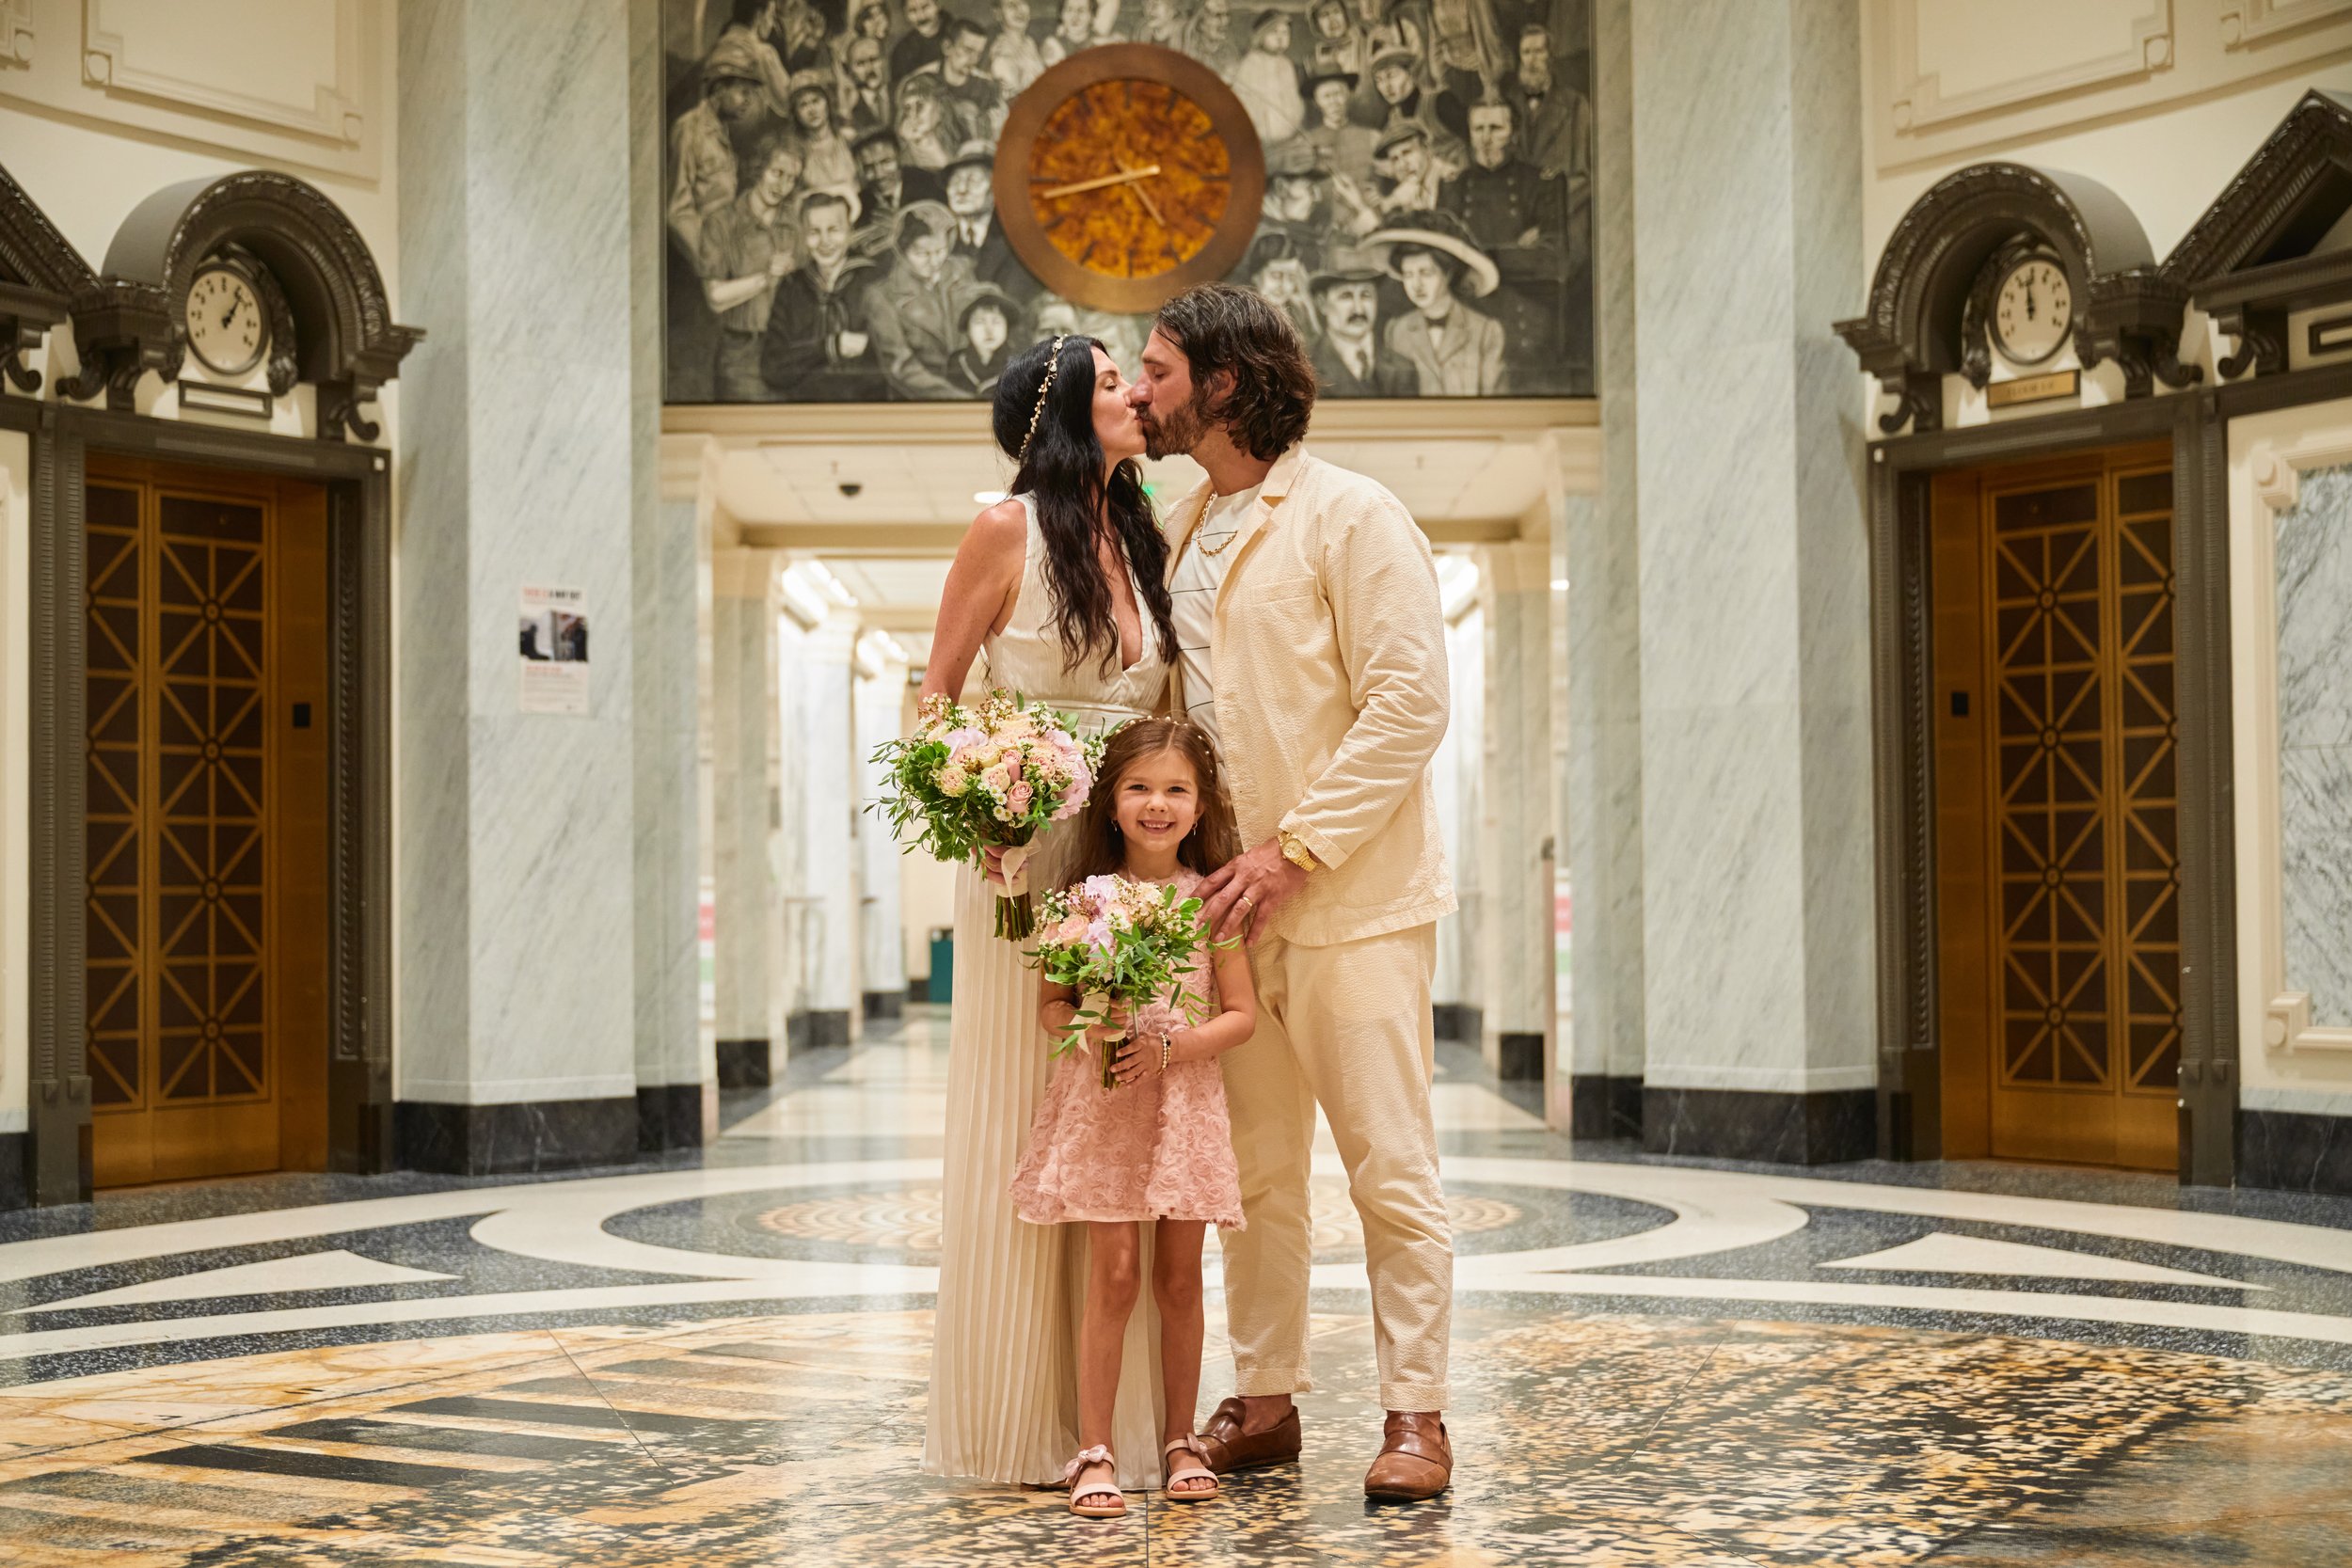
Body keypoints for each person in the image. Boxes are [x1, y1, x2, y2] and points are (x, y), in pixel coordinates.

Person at [1127, 283, 1456, 1502]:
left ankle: (1416, 1410)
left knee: (1389, 1164)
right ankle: (1264, 1397)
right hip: (1226, 908)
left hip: (1350, 901)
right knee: (1253, 1173)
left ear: (1220, 381)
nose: (1143, 388)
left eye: (1157, 369)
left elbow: (1409, 703)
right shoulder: (1176, 525)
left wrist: (1293, 849)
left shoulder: (1351, 516)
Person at [920, 334, 1177, 1494]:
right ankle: (1018, 1414)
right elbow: (935, 695)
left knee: (1118, 1101)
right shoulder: (1003, 531)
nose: (1137, 393)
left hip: (1124, 855)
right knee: (1034, 1103)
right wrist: (981, 802)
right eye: (1117, 380)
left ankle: (1111, 1421)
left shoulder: (1140, 536)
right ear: (1065, 409)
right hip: (1026, 855)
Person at [1010, 717, 1259, 1519]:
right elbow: (1051, 1007)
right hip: (1107, 1100)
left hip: (1181, 1100)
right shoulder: (1082, 899)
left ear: (1200, 803)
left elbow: (1243, 1015)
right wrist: (1097, 1023)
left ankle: (1180, 1437)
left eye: (1176, 789)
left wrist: (1174, 1048)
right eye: (1140, 788)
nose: (1158, 804)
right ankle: (1095, 1449)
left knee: (1180, 1278)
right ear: (1110, 803)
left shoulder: (1210, 900)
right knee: (1113, 1277)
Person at [697, 135, 806, 400]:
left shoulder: (795, 225)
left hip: (789, 351)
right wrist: (766, 277)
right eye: (777, 173)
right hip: (741, 355)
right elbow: (715, 298)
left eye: (791, 179)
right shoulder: (721, 223)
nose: (783, 185)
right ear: (759, 168)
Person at [759, 191, 888, 397]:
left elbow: (893, 362)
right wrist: (830, 346)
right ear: (803, 236)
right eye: (814, 232)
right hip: (804, 411)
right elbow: (772, 368)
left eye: (834, 230)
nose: (825, 241)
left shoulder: (877, 281)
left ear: (850, 232)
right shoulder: (792, 287)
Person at [1372, 213, 1503, 393]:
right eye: (1409, 275)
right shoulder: (1397, 331)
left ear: (1448, 273)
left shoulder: (1485, 331)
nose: (1416, 285)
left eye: (1426, 273)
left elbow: (1495, 405)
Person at [869, 200, 984, 399]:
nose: (934, 262)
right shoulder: (882, 297)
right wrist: (957, 398)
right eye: (921, 254)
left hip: (975, 386)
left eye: (940, 251)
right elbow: (902, 368)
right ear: (902, 251)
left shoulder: (963, 272)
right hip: (918, 402)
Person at [668, 40, 769, 260]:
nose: (748, 101)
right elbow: (678, 210)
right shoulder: (690, 129)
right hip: (703, 253)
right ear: (720, 89)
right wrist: (707, 259)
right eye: (743, 92)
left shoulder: (723, 129)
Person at [1438, 97, 1558, 253]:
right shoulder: (1452, 185)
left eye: (1496, 128)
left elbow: (1553, 258)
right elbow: (1442, 254)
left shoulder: (1542, 183)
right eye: (1478, 129)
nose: (1486, 139)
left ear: (1514, 134)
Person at [946, 141, 1040, 301]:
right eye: (955, 181)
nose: (961, 190)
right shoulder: (937, 239)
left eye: (973, 181)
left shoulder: (1020, 245)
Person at [1307, 266, 1418, 395]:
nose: (1358, 310)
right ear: (1322, 304)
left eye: (1366, 295)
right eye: (1346, 296)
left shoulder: (1403, 368)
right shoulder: (1304, 366)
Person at [786, 71, 863, 210]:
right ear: (795, 113)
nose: (812, 110)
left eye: (816, 101)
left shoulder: (849, 139)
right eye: (803, 105)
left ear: (827, 103)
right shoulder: (795, 153)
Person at [1229, 11, 1307, 148]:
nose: (1280, 37)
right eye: (1274, 32)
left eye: (1285, 32)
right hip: (1260, 134)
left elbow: (1292, 98)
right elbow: (1243, 100)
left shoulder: (1287, 64)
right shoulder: (1251, 63)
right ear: (1261, 36)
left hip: (1288, 133)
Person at [933, 18, 1006, 143]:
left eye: (978, 54)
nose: (974, 60)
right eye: (968, 50)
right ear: (947, 47)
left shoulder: (987, 87)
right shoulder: (926, 82)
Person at [1304, 71, 1379, 189]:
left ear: (1349, 95)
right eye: (1326, 96)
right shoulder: (1307, 141)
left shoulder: (1372, 136)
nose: (1334, 102)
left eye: (1338, 94)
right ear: (1316, 102)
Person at [948, 286, 1020, 395]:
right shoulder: (956, 367)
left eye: (996, 322)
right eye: (979, 322)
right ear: (968, 329)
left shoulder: (1019, 368)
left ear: (1007, 328)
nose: (989, 331)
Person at [840, 31, 896, 135]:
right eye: (860, 63)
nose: (869, 69)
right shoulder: (850, 106)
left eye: (874, 60)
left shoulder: (901, 91)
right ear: (850, 70)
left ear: (884, 60)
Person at [987, 0, 1048, 93]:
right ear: (998, 14)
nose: (1019, 9)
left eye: (1022, 2)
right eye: (1011, 5)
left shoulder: (1029, 42)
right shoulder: (1001, 53)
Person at [893, 0, 951, 82]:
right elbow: (899, 89)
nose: (921, 16)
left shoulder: (957, 35)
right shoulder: (901, 50)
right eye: (912, 10)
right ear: (905, 13)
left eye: (925, 7)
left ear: (938, 5)